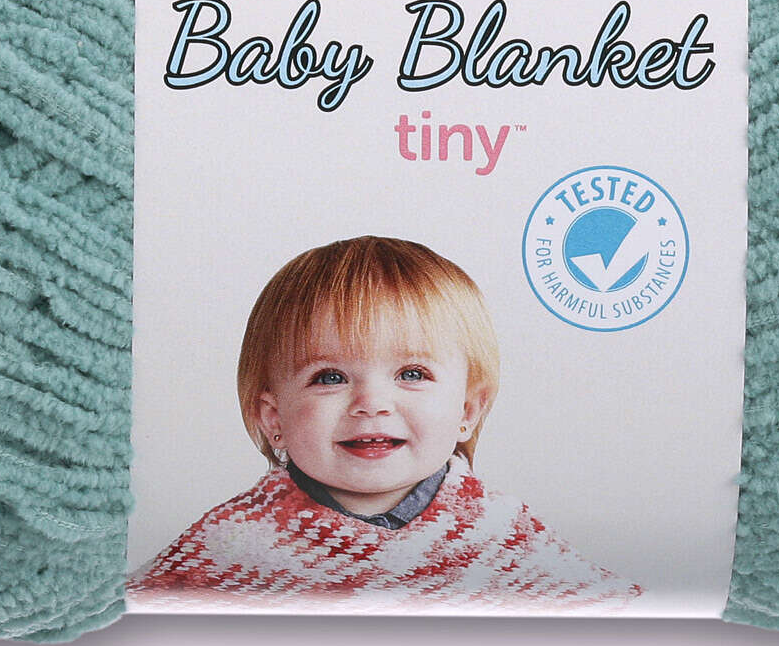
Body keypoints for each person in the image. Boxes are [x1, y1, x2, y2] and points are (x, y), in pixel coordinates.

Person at [129, 236, 640, 609]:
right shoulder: (229, 545)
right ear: (273, 417)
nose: (371, 404)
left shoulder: (503, 536)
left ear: (467, 411)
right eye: (330, 377)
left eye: (412, 374)